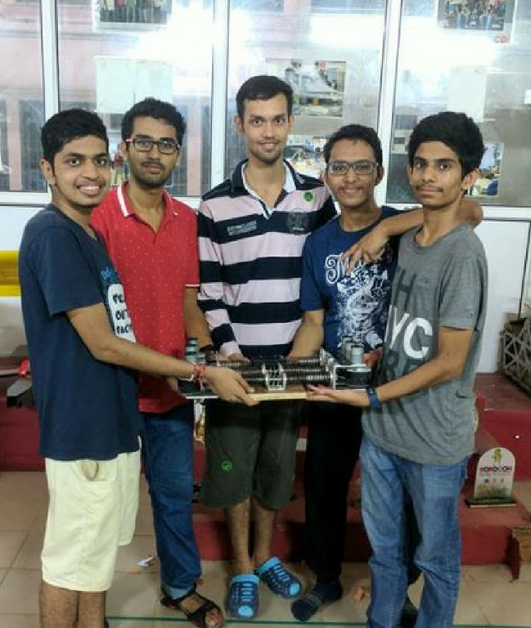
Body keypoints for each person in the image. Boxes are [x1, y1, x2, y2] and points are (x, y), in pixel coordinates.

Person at [20, 108, 254, 628]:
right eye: (75, 161)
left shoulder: (86, 230)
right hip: (90, 418)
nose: (91, 172)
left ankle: (142, 601)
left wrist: (197, 360)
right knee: (70, 559)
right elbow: (103, 343)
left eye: (96, 160)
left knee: (103, 544)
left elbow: (168, 310)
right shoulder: (67, 230)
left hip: (122, 406)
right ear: (48, 169)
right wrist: (198, 373)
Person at [286, 124, 481, 623]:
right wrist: (291, 374)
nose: (350, 177)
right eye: (339, 167)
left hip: (403, 399)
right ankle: (328, 578)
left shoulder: (410, 228)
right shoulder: (318, 243)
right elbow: (313, 323)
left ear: (378, 172)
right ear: (325, 173)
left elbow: (470, 210)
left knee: (416, 518)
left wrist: (384, 228)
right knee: (326, 485)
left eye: (361, 166)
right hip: (340, 389)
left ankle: (402, 594)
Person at [196, 75, 335, 619]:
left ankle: (263, 554)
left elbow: (327, 275)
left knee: (276, 471)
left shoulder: (316, 197)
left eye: (278, 119)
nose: (268, 131)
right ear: (239, 125)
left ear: (291, 122)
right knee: (233, 471)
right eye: (257, 120)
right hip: (237, 368)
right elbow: (209, 293)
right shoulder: (215, 205)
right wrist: (228, 355)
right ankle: (242, 569)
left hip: (293, 367)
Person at [88, 98, 226, 628]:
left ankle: (178, 587)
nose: (153, 152)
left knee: (172, 495)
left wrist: (206, 358)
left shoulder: (187, 221)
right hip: (112, 388)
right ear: (124, 149)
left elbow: (190, 302)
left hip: (172, 388)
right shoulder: (98, 218)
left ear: (177, 153)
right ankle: (89, 599)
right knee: (104, 506)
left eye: (165, 143)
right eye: (142, 141)